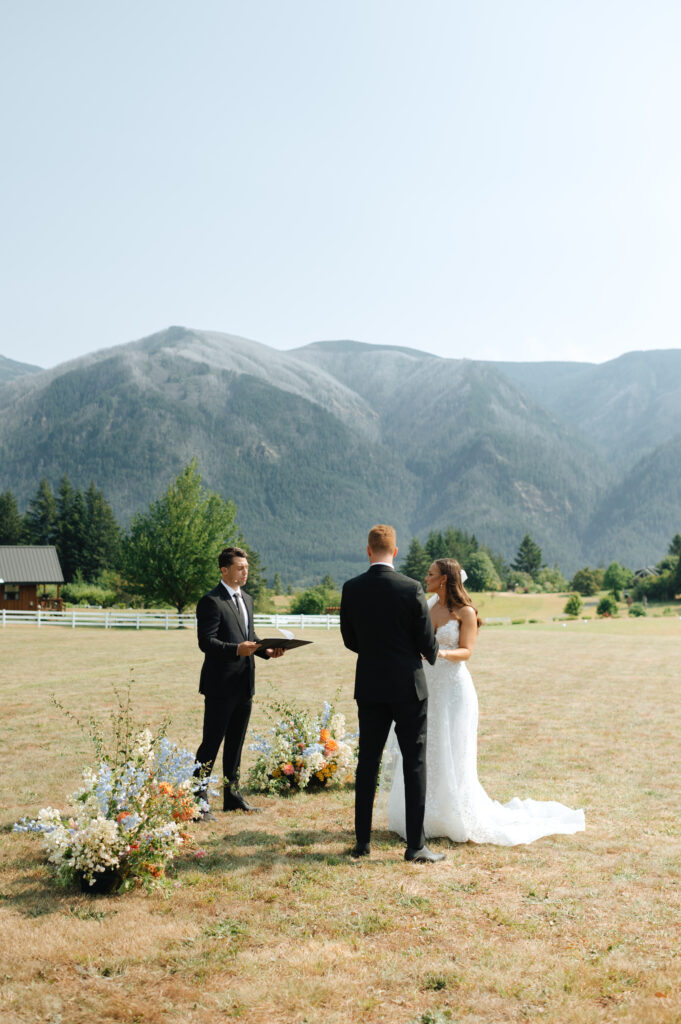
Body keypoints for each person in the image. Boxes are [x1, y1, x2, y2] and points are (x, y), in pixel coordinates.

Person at [381, 558, 586, 845]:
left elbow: (466, 651)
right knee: (425, 750)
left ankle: (453, 814)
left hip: (453, 689)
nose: (425, 578)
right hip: (427, 687)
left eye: (430, 574)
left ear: (444, 579)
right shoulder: (427, 607)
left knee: (452, 749)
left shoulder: (465, 612)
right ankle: (422, 816)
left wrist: (439, 653)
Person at [340, 525, 444, 863]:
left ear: (368, 551)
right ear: (395, 552)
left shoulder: (352, 588)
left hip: (370, 684)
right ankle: (415, 846)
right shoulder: (411, 588)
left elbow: (349, 639)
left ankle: (362, 843)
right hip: (408, 686)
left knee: (367, 762)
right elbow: (427, 643)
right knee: (414, 762)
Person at [193, 546, 285, 818]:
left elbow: (250, 635)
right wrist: (235, 649)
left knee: (236, 743)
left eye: (247, 567)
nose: (246, 572)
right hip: (220, 686)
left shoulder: (247, 599)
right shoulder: (211, 601)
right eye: (240, 568)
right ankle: (198, 801)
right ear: (224, 570)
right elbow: (205, 642)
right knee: (211, 743)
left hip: (245, 683)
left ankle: (232, 797)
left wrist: (267, 651)